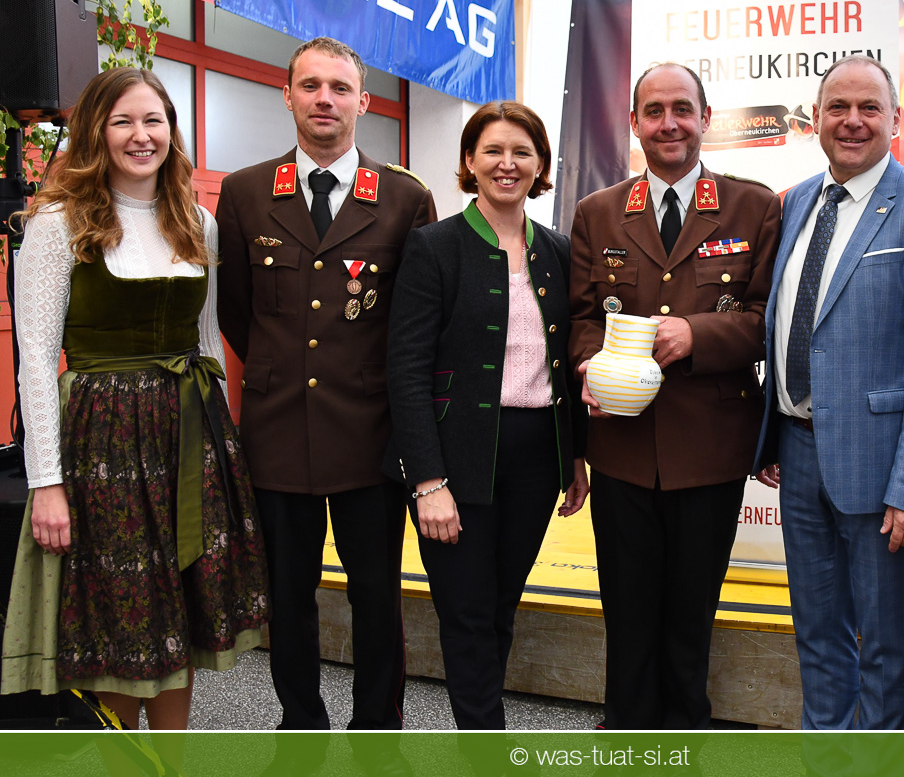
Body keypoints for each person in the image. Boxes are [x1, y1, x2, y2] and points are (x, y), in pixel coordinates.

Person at [1, 67, 269, 729]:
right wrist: (47, 483)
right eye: (122, 121)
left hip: (189, 439)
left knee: (179, 620)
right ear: (95, 131)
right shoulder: (57, 224)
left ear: (171, 131)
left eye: (154, 120)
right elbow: (35, 360)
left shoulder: (196, 222)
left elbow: (204, 342)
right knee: (123, 626)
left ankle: (167, 767)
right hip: (104, 448)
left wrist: (223, 455)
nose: (140, 135)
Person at [216, 37, 436, 730]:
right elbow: (237, 311)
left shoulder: (404, 198)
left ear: (362, 103)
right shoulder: (245, 192)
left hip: (371, 434)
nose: (324, 100)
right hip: (278, 431)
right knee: (287, 594)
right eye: (310, 86)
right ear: (287, 95)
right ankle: (301, 723)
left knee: (376, 593)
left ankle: (377, 728)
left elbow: (415, 325)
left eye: (339, 88)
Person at [753, 55, 904, 730]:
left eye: (869, 108)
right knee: (817, 637)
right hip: (798, 454)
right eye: (839, 107)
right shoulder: (795, 203)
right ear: (816, 119)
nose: (853, 121)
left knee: (885, 648)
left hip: (884, 474)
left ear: (895, 119)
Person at [568, 63, 781, 729]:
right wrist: (588, 366)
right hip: (622, 447)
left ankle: (686, 737)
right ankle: (626, 735)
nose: (669, 124)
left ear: (705, 118)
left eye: (682, 109)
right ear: (634, 122)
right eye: (654, 111)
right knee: (626, 611)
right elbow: (580, 318)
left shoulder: (754, 207)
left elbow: (768, 320)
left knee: (692, 615)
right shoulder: (598, 212)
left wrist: (697, 333)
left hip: (709, 451)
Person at [384, 102, 588, 729]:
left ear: (540, 165)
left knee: (501, 606)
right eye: (493, 151)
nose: (507, 164)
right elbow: (406, 370)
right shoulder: (433, 247)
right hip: (456, 456)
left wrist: (576, 456)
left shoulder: (558, 250)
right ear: (469, 161)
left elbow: (566, 363)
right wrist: (427, 481)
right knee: (466, 611)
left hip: (537, 455)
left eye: (522, 152)